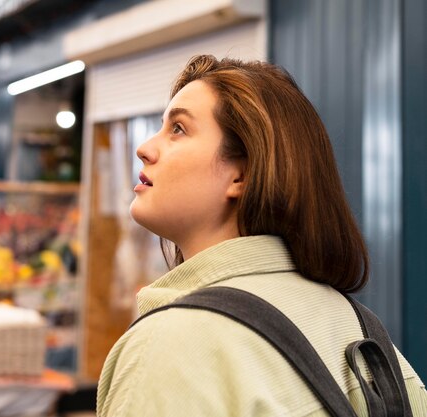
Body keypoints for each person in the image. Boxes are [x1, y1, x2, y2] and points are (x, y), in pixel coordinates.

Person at [96, 55, 427, 416]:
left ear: (242, 175)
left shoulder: (170, 346)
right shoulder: (361, 329)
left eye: (178, 128)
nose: (144, 149)